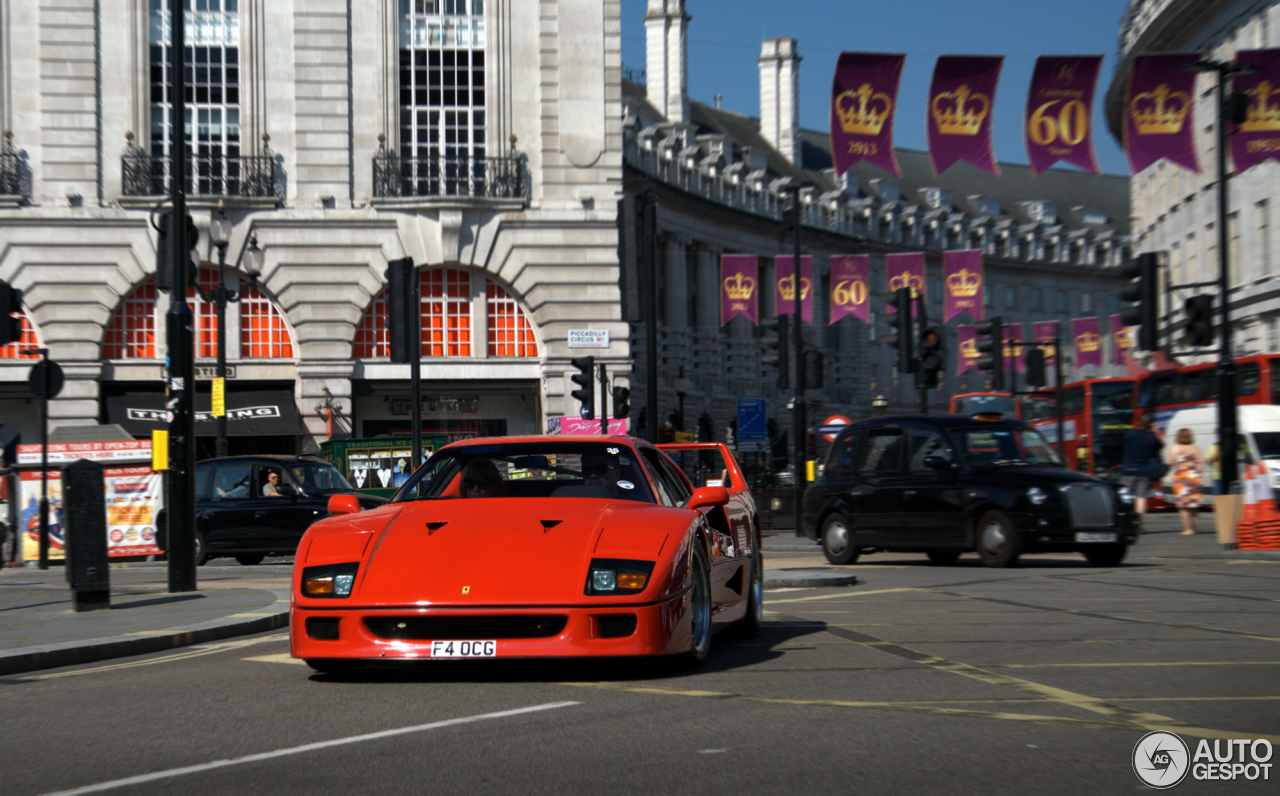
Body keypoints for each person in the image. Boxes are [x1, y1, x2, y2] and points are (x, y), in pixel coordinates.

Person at [1119, 414, 1164, 530]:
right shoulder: (1151, 438)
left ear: (1138, 423)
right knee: (1141, 498)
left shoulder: (1129, 435)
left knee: (1125, 497)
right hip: (1144, 472)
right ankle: (1138, 526)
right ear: (1150, 425)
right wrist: (1156, 431)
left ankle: (1125, 525)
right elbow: (1162, 444)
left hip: (1128, 471)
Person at [1168, 428, 1206, 535]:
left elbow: (1170, 462)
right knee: (1193, 504)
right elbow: (1201, 463)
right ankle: (1193, 528)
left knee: (1183, 505)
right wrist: (1201, 476)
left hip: (1180, 479)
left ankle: (1188, 529)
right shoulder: (1196, 449)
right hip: (1194, 477)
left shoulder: (1175, 448)